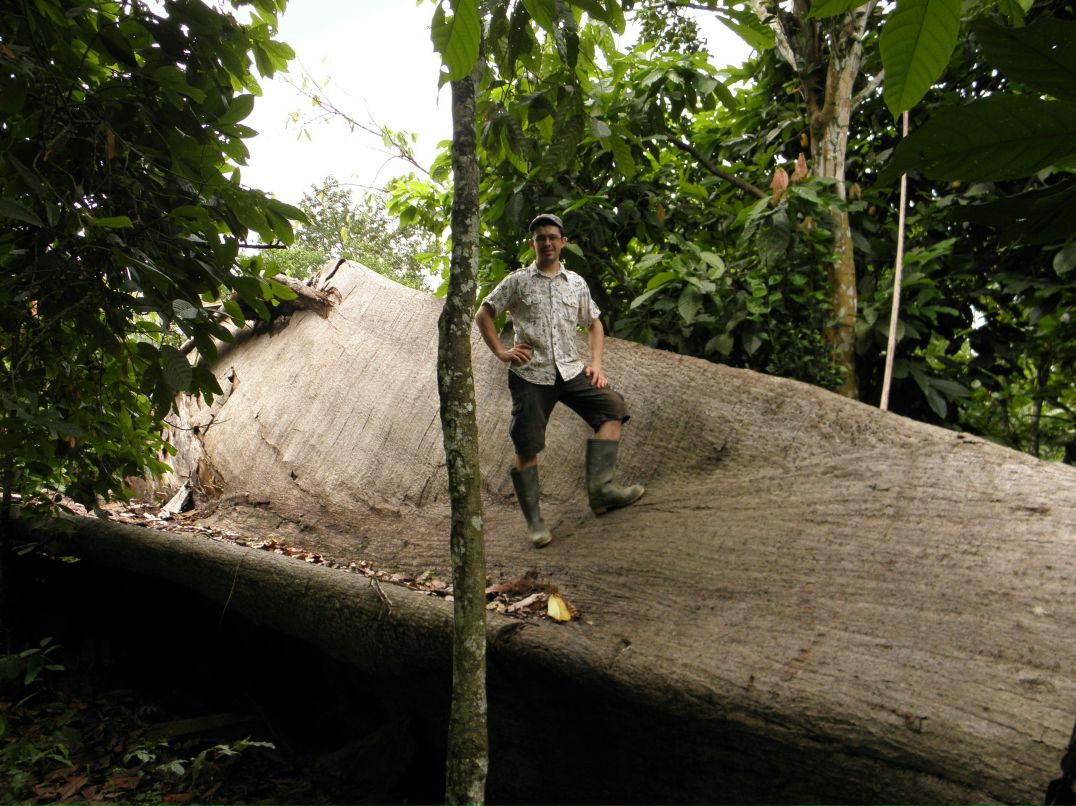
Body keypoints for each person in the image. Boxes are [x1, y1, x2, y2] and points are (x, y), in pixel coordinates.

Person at [474, 213, 645, 548]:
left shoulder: (576, 283)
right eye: (541, 238)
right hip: (531, 374)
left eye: (553, 237)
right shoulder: (518, 281)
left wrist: (596, 364)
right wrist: (502, 352)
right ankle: (535, 522)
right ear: (532, 243)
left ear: (562, 242)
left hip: (570, 370)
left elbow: (594, 323)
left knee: (613, 408)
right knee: (527, 443)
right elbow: (484, 314)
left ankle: (601, 490)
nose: (547, 243)